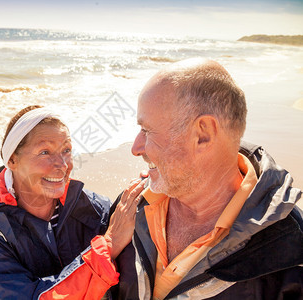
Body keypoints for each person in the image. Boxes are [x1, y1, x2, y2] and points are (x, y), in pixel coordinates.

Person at [112, 58, 303, 299]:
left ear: (203, 134)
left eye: (147, 130)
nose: (136, 147)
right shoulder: (130, 206)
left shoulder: (290, 249)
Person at [0, 105, 144, 299]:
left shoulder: (93, 208)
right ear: (12, 160)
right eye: (45, 152)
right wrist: (108, 245)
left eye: (66, 150)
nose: (63, 165)